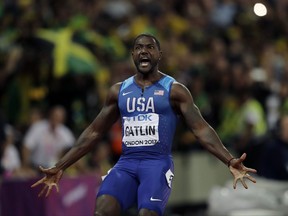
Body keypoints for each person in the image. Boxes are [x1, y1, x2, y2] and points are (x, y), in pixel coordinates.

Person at [31, 34, 257, 216]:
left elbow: (200, 129)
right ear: (132, 55)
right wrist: (61, 165)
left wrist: (228, 159)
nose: (144, 51)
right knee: (102, 210)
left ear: (159, 54)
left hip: (157, 165)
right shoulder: (118, 91)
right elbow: (94, 132)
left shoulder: (175, 90)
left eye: (150, 47)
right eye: (139, 47)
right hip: (126, 164)